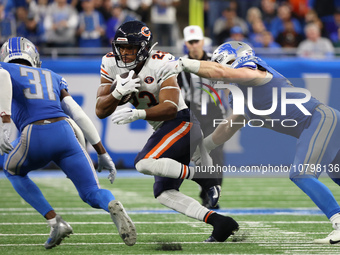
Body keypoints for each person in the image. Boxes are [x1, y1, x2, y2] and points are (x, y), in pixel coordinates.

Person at [157, 40, 340, 245]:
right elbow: (228, 126)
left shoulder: (256, 72)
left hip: (320, 118)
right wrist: (205, 147)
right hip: (320, 123)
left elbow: (225, 73)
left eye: (223, 64)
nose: (220, 70)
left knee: (301, 173)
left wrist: (185, 63)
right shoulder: (240, 94)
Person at [95, 20, 239, 242]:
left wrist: (138, 114)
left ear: (143, 48)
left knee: (143, 162)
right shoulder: (110, 62)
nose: (124, 53)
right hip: (164, 128)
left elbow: (171, 108)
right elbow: (100, 110)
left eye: (131, 48)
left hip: (183, 123)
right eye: (121, 47)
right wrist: (116, 94)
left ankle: (200, 176)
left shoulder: (161, 62)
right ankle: (219, 223)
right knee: (164, 193)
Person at [0, 37, 136, 249]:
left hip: (35, 131)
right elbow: (78, 114)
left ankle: (55, 222)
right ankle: (110, 203)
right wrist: (101, 152)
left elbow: (2, 75)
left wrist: (5, 120)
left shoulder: (4, 68)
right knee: (91, 192)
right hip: (66, 131)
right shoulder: (52, 75)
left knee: (11, 169)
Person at [178, 25, 225, 209]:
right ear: (186, 44)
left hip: (214, 112)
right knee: (196, 156)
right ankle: (206, 189)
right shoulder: (181, 65)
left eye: (197, 41)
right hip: (193, 113)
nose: (194, 45)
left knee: (217, 155)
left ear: (203, 41)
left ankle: (212, 195)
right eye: (191, 42)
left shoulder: (215, 61)